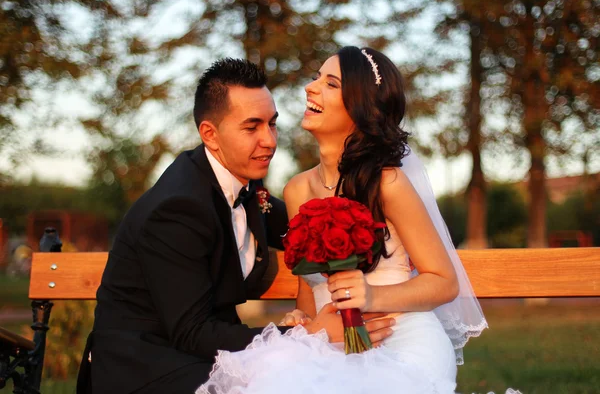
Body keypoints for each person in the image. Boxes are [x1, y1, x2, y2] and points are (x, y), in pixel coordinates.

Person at [197, 47, 520, 394]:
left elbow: (443, 282)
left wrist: (370, 296)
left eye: (330, 83)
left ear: (359, 106)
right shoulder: (296, 190)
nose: (311, 87)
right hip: (329, 346)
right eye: (315, 77)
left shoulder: (388, 183)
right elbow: (308, 287)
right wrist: (304, 321)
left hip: (401, 340)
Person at [76, 58, 395, 394]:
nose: (270, 141)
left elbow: (313, 228)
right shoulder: (177, 209)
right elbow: (192, 332)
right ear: (210, 135)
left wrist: (382, 229)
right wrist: (309, 335)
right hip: (147, 366)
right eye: (251, 127)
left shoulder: (247, 186)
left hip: (203, 355)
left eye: (272, 124)